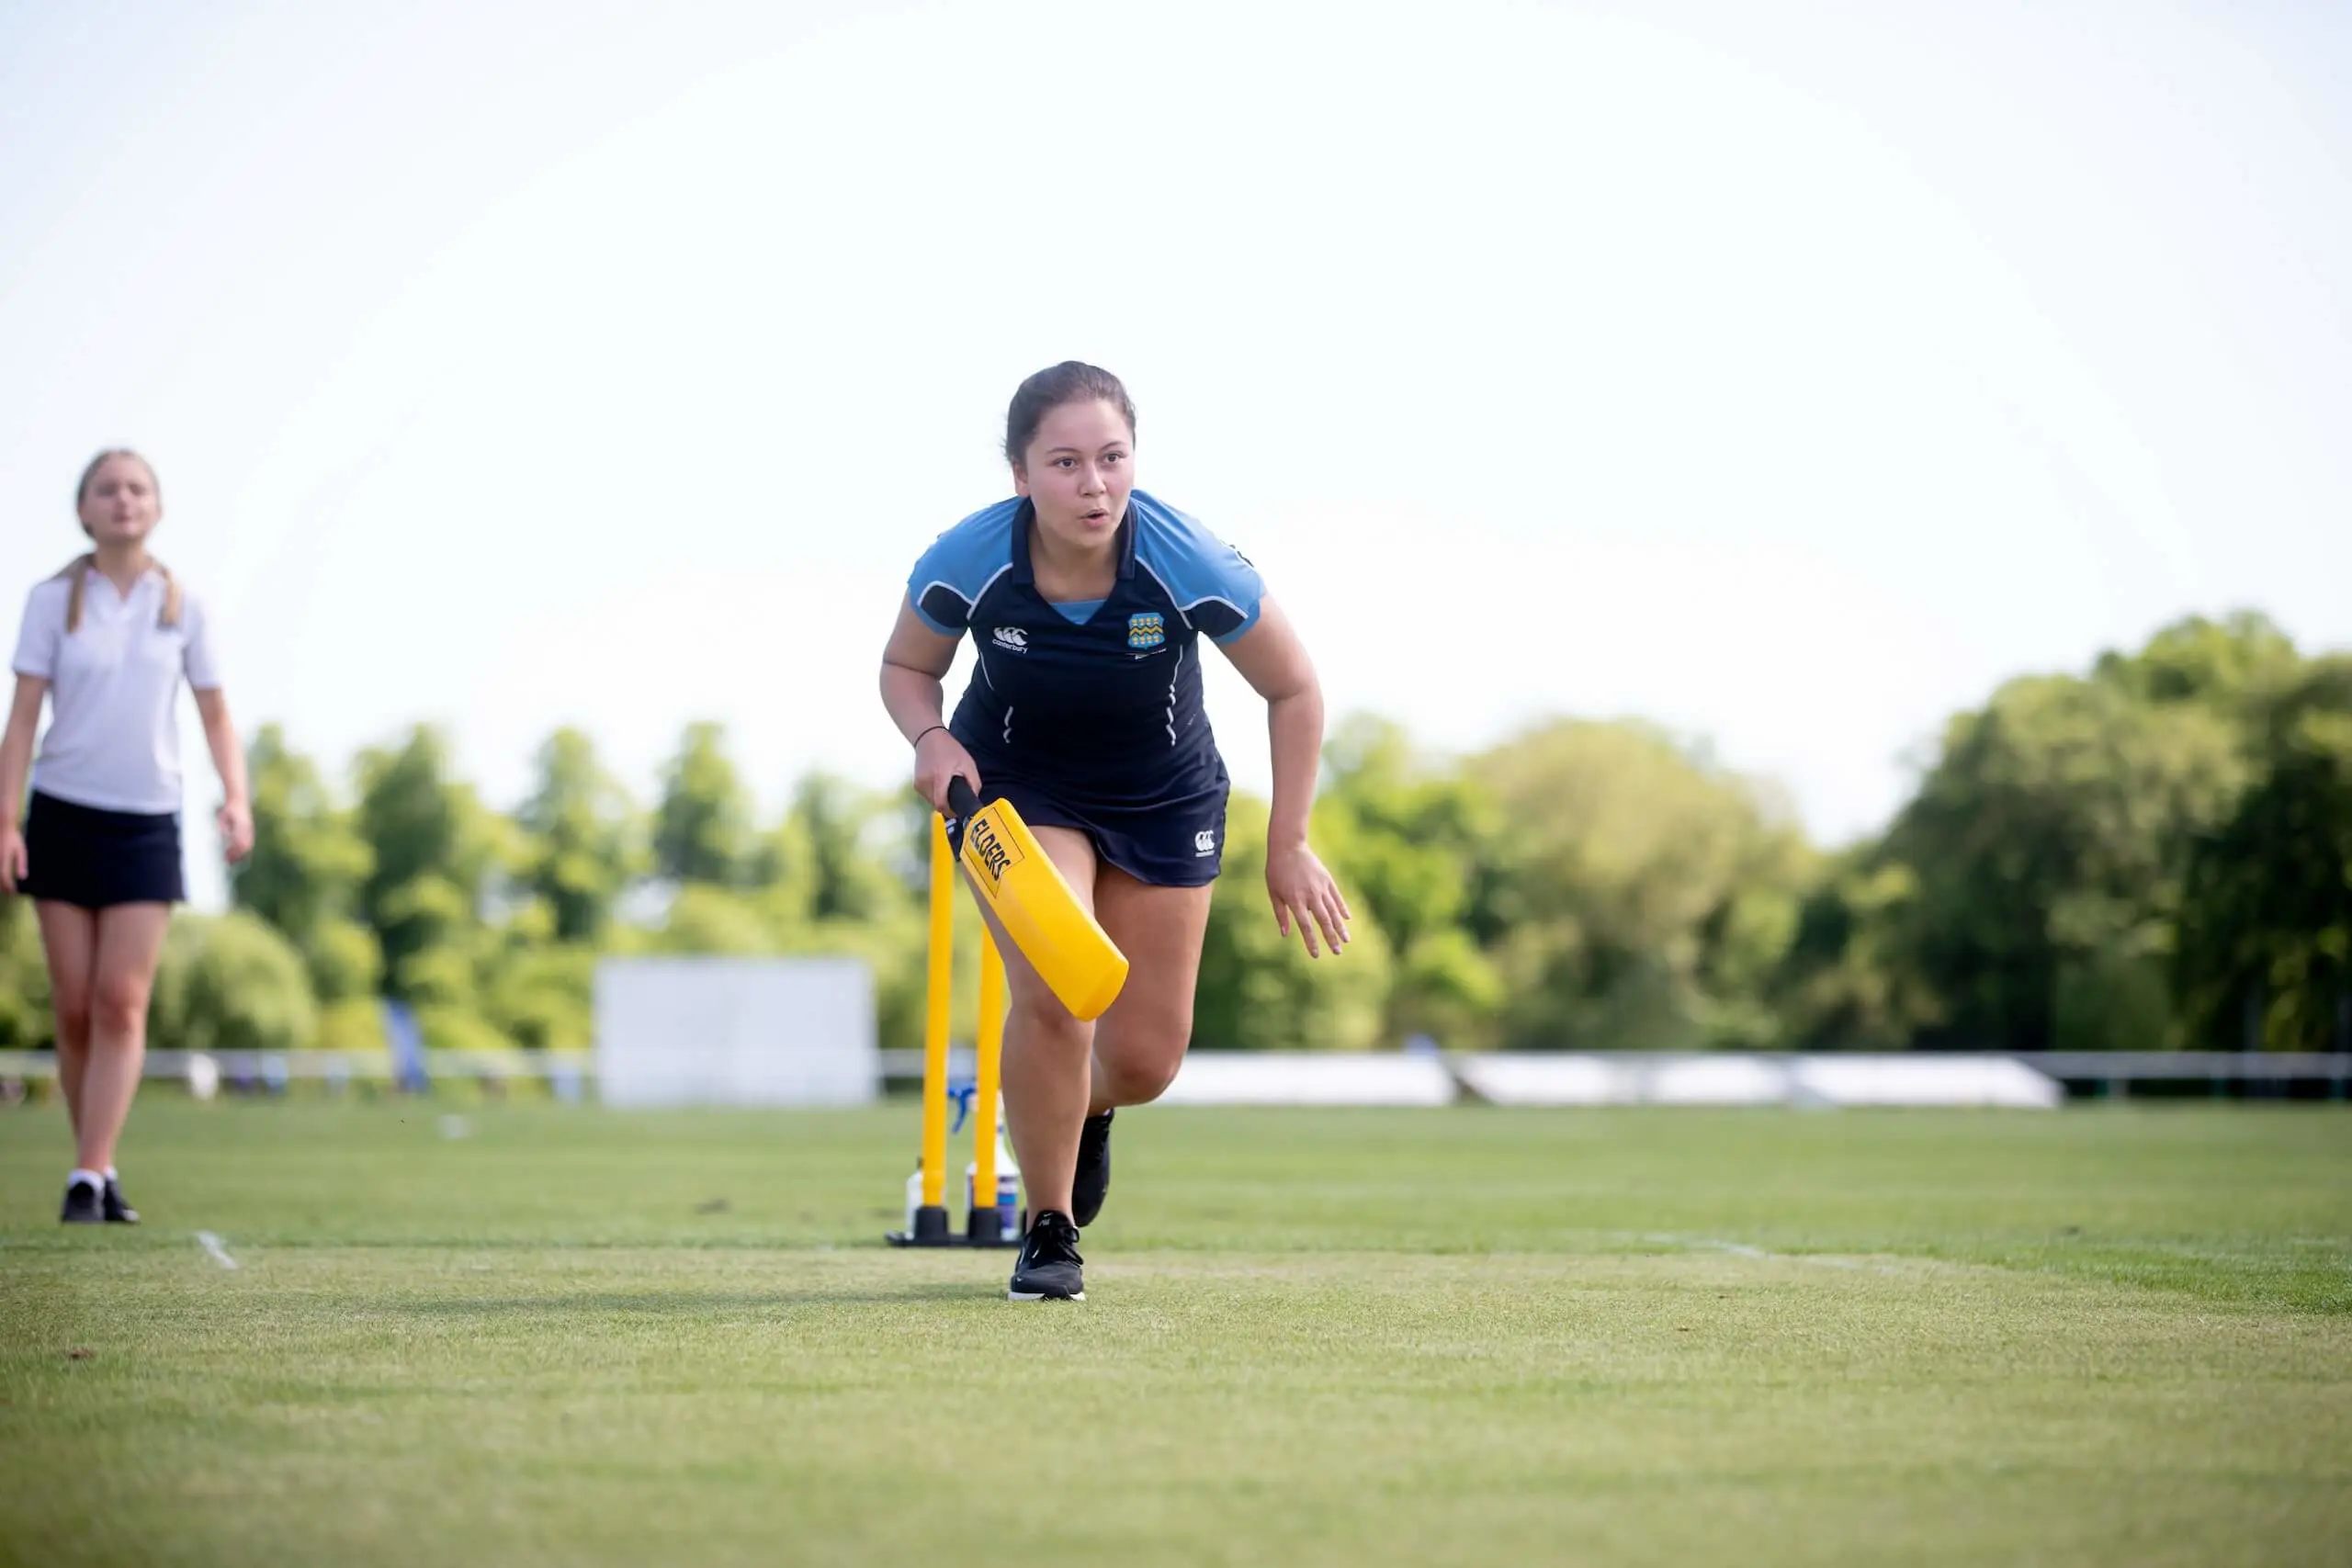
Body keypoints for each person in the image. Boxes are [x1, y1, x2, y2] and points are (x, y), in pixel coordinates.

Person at [879, 363, 1351, 1301]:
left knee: (1142, 1059)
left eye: (1110, 458)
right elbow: (905, 666)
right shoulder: (967, 558)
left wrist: (1288, 841)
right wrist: (929, 737)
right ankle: (1047, 1229)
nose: (1092, 483)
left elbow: (1292, 687)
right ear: (1020, 474)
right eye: (1064, 462)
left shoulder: (1186, 560)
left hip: (1163, 796)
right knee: (1057, 990)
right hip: (1016, 787)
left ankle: (1082, 1111)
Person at [0, 450, 254, 1224]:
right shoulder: (52, 601)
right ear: (83, 510)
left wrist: (236, 797)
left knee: (119, 1001)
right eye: (106, 489)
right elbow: (22, 719)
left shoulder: (184, 606)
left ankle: (90, 1168)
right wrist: (5, 819)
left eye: (136, 488)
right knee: (74, 1008)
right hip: (63, 813)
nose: (123, 500)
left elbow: (215, 713)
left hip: (147, 822)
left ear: (157, 506)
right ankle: (94, 1167)